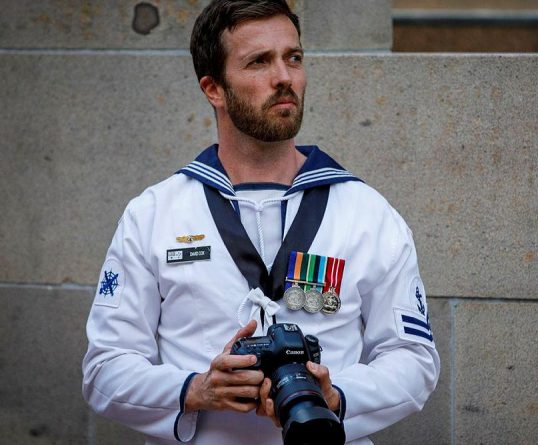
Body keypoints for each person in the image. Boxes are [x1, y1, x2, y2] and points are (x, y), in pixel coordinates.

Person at [81, 1, 440, 443]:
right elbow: (105, 369)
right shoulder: (154, 214)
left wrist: (339, 397)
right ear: (213, 88)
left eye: (293, 58)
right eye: (259, 62)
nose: (284, 77)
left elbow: (413, 359)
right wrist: (195, 389)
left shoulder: (367, 213)